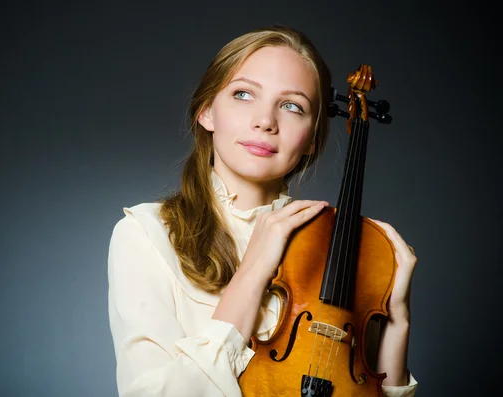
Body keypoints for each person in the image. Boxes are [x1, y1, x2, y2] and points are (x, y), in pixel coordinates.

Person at [107, 25, 418, 397]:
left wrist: (395, 319)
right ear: (207, 111)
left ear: (311, 140)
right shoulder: (147, 234)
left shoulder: (334, 245)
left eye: (292, 106)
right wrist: (254, 269)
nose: (266, 121)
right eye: (243, 94)